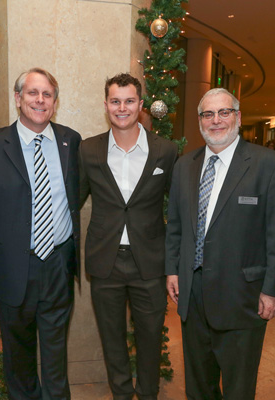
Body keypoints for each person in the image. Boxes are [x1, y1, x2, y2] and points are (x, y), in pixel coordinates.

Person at [165, 88, 275, 399]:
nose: (216, 120)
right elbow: (175, 226)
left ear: (238, 117)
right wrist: (173, 270)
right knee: (198, 385)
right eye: (208, 114)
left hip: (242, 296)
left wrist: (272, 289)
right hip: (193, 293)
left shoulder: (269, 164)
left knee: (238, 388)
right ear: (199, 121)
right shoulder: (185, 165)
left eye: (224, 112)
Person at [0, 67, 81, 400]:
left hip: (58, 263)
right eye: (32, 93)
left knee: (55, 355)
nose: (40, 100)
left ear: (55, 102)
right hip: (14, 266)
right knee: (18, 358)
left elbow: (76, 194)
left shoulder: (71, 140)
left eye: (47, 94)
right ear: (18, 98)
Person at [79, 73, 178, 400]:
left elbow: (178, 209)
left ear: (140, 104)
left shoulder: (165, 151)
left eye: (129, 101)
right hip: (104, 261)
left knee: (150, 338)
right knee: (112, 339)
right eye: (115, 101)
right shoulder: (88, 149)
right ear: (106, 105)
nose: (122, 108)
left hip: (149, 263)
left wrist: (174, 264)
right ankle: (121, 394)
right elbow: (72, 200)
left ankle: (148, 394)